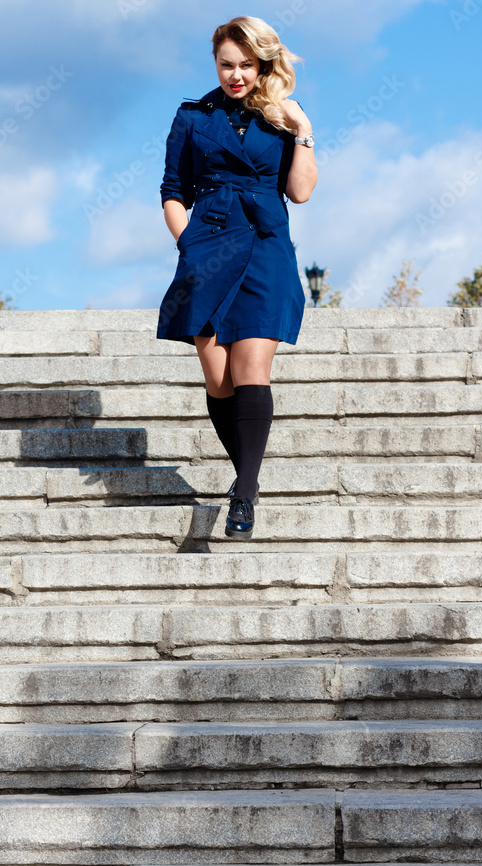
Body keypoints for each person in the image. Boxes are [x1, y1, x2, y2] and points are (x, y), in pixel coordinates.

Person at [157, 15, 317, 540]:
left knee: (251, 368)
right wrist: (188, 246)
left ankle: (244, 493)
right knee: (218, 378)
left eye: (247, 65)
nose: (236, 75)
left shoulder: (284, 115)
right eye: (227, 64)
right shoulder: (192, 116)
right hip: (207, 246)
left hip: (266, 245)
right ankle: (246, 477)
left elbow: (300, 192)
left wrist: (303, 130)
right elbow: (173, 190)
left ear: (263, 64)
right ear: (215, 63)